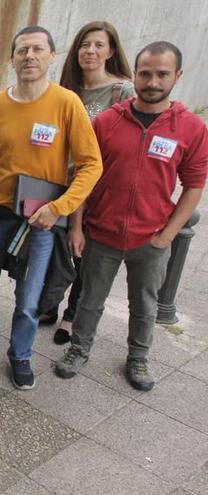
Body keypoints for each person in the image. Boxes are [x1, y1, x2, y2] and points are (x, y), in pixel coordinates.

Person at [0, 26, 102, 390]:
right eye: (22, 50)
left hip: (41, 221)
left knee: (29, 299)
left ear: (52, 55)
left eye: (38, 49)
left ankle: (20, 354)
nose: (30, 56)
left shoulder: (67, 104)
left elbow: (91, 164)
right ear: (12, 59)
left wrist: (59, 208)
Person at [55, 41, 208, 391]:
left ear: (177, 76)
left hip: (151, 238)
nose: (153, 81)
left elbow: (194, 185)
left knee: (145, 304)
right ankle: (79, 349)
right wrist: (77, 227)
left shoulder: (190, 128)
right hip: (102, 233)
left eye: (162, 74)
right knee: (90, 299)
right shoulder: (109, 121)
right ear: (134, 75)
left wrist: (168, 235)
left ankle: (138, 357)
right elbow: (85, 176)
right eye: (146, 73)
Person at [43, 21, 135, 344]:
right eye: (85, 45)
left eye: (98, 45)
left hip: (95, 186)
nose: (91, 51)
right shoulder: (66, 89)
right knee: (55, 246)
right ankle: (49, 302)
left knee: (85, 251)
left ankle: (72, 314)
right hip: (57, 181)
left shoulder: (122, 91)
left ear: (111, 51)